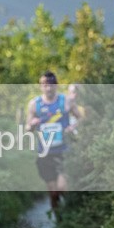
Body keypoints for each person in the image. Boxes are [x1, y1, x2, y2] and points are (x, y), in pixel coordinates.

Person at [25, 71, 79, 210]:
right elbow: (27, 128)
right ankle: (58, 219)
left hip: (64, 150)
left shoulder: (66, 101)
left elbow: (82, 119)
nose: (48, 88)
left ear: (56, 86)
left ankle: (71, 213)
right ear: (40, 86)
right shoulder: (34, 104)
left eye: (51, 85)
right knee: (53, 191)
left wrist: (72, 127)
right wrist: (31, 124)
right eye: (45, 85)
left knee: (62, 188)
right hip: (45, 153)